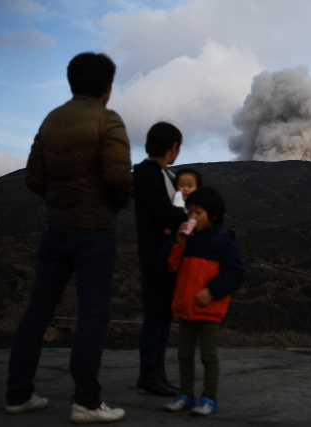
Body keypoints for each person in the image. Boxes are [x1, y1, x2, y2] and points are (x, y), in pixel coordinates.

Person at [5, 52, 132, 424]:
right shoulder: (108, 120)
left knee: (37, 311)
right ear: (108, 88)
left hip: (55, 228)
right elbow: (119, 178)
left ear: (70, 82)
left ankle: (17, 394)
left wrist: (60, 201)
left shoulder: (51, 120)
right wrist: (113, 205)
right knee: (93, 313)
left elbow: (32, 177)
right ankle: (87, 402)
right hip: (94, 232)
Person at [163, 187, 245, 416]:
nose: (192, 217)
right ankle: (186, 395)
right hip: (185, 307)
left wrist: (212, 290)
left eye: (198, 213)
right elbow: (171, 267)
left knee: (208, 355)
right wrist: (178, 242)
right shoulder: (187, 239)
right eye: (189, 212)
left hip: (208, 309)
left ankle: (209, 398)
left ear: (214, 215)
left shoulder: (224, 241)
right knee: (184, 354)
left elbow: (236, 274)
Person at [133, 122, 189, 396]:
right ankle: (148, 373)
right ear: (173, 147)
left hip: (169, 251)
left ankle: (158, 372)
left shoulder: (167, 175)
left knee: (165, 313)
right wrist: (184, 222)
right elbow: (163, 212)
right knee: (156, 314)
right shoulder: (146, 173)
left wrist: (177, 223)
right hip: (156, 253)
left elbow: (171, 212)